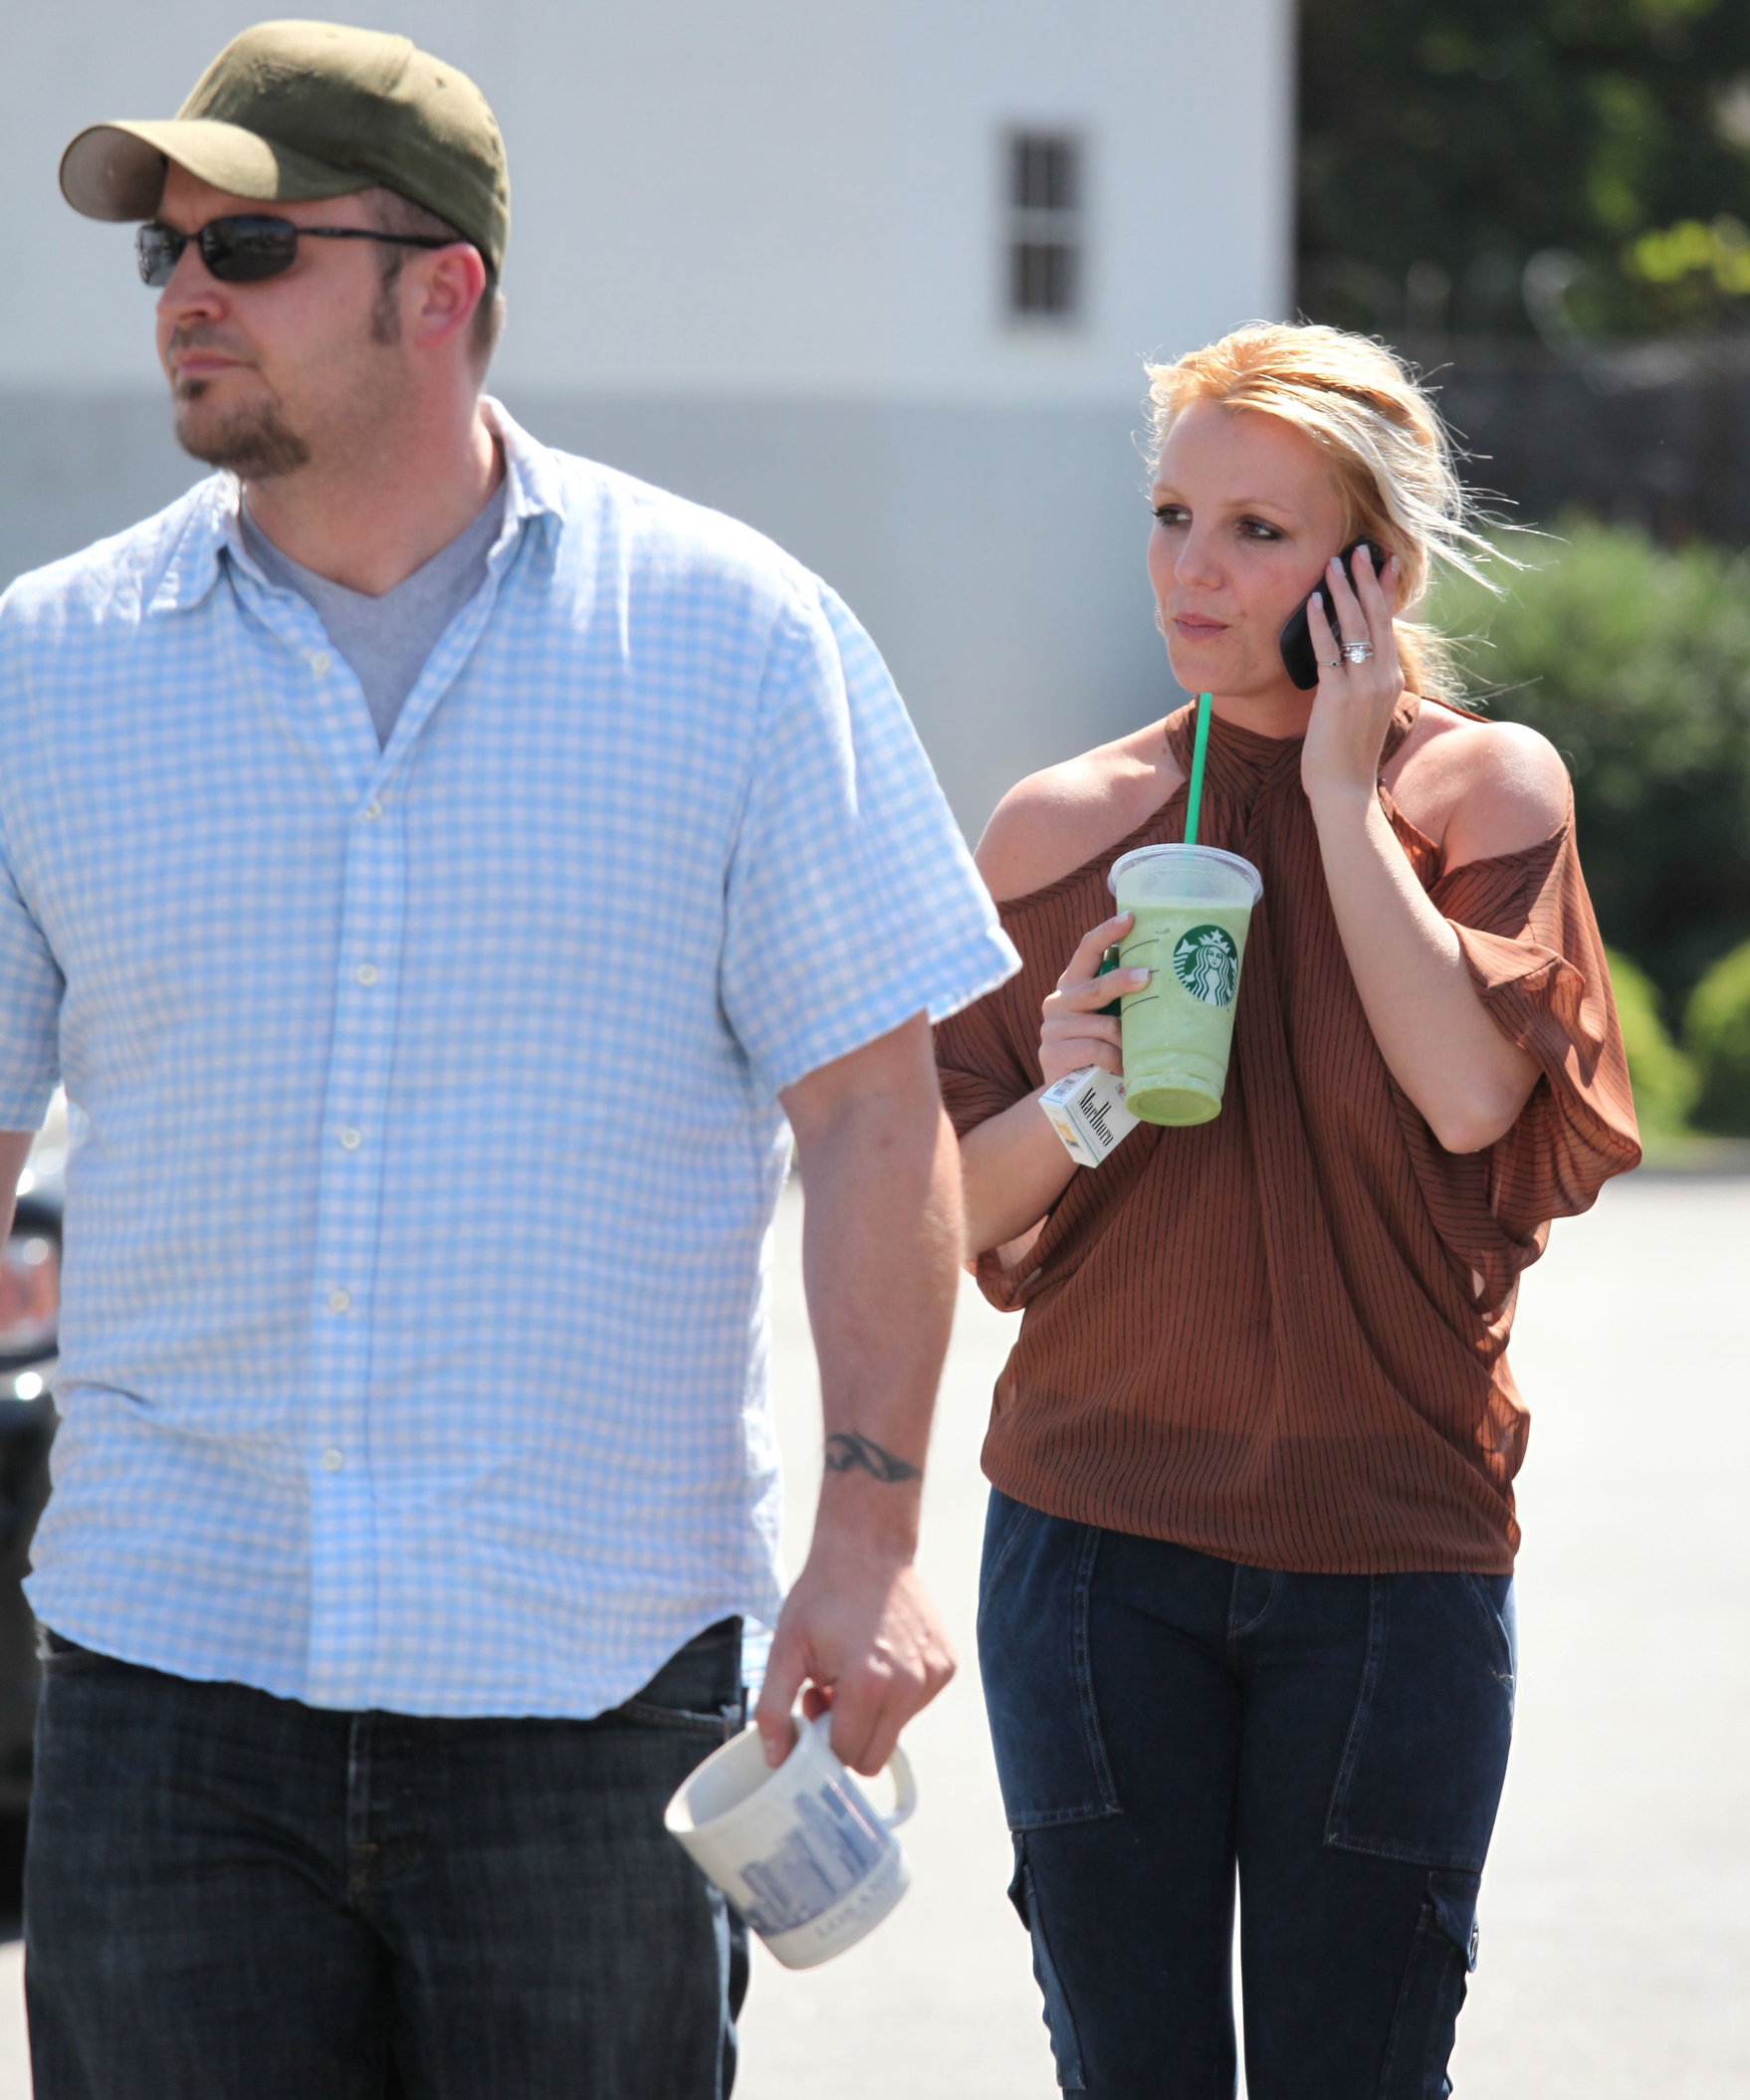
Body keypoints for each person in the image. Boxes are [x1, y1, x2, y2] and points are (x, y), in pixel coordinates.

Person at [0, 21, 1017, 2098]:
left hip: (591, 1693)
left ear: (438, 284)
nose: (188, 291)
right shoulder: (46, 673)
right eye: (167, 253)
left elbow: (869, 1109)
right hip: (162, 1682)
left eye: (254, 243)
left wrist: (869, 1533)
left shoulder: (739, 641)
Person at [934, 322, 1641, 2099]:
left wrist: (1333, 791)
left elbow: (1475, 1097)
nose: (1191, 565)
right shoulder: (1057, 824)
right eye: (1173, 513)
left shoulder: (1476, 792)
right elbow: (946, 1205)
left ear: (1371, 571)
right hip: (1093, 1553)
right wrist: (1076, 1080)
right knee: (1132, 2075)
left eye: (1256, 529)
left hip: (1389, 1556)